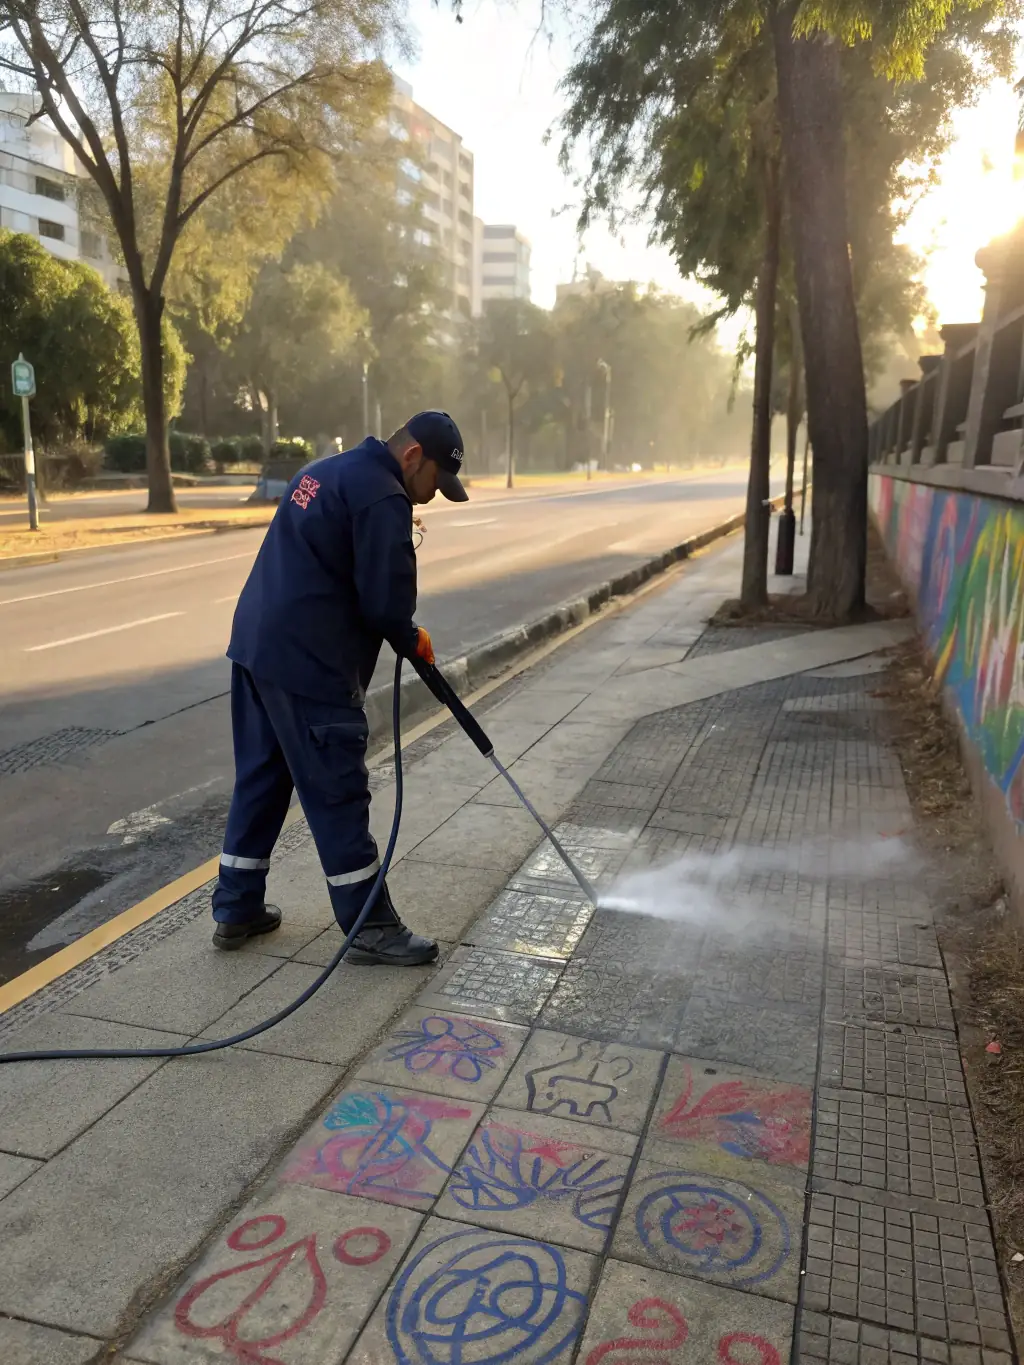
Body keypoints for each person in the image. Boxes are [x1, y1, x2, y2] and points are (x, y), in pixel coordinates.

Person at [210, 411, 468, 965]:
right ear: (412, 457)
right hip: (310, 664)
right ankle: (370, 926)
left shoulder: (327, 470)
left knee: (262, 778)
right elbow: (385, 603)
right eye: (433, 485)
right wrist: (411, 636)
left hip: (257, 649)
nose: (430, 499)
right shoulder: (383, 495)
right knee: (338, 792)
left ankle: (235, 907)